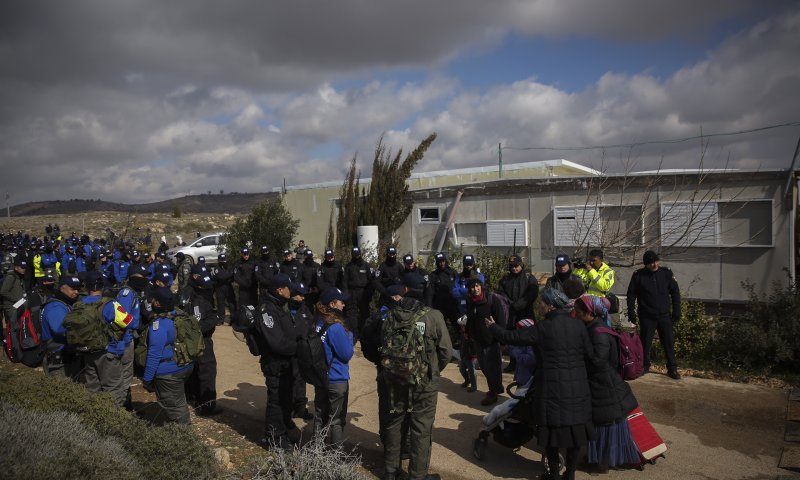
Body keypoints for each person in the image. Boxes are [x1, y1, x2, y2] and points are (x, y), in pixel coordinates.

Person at [486, 287, 595, 480]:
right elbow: (589, 356)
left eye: (542, 302)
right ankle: (569, 474)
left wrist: (493, 327)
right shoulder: (579, 326)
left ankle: (553, 475)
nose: (539, 306)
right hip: (578, 388)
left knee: (552, 435)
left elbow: (511, 337)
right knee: (575, 433)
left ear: (551, 305)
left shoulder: (542, 329)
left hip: (552, 389)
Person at [380, 284, 452, 480]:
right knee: (421, 428)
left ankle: (390, 470)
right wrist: (432, 370)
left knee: (395, 422)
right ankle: (417, 475)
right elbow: (446, 350)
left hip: (395, 379)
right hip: (424, 382)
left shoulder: (390, 316)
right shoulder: (433, 316)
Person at [574, 294, 640, 471]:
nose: (577, 315)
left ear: (591, 312)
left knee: (604, 424)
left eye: (580, 312)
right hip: (602, 383)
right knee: (606, 424)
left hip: (602, 385)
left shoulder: (599, 333)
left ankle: (601, 461)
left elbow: (598, 361)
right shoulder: (595, 327)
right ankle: (603, 458)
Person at [252, 273, 299, 450]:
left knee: (285, 400)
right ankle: (274, 439)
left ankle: (282, 434)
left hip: (286, 363)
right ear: (280, 290)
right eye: (289, 288)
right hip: (275, 364)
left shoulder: (279, 305)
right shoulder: (267, 309)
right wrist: (298, 348)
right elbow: (276, 342)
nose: (291, 291)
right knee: (277, 402)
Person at [626, 250, 682, 379]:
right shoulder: (638, 275)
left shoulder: (666, 273)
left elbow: (675, 292)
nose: (655, 265)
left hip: (664, 315)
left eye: (656, 261)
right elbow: (631, 295)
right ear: (646, 264)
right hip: (647, 316)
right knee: (645, 343)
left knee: (668, 342)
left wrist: (677, 310)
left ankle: (672, 368)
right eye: (651, 263)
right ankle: (644, 366)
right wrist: (631, 312)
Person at [143, 287, 195, 424]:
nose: (151, 302)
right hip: (185, 365)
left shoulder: (159, 325)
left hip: (169, 372)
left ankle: (183, 438)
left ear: (158, 304)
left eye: (153, 300)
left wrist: (147, 379)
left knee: (175, 408)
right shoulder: (177, 315)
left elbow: (154, 355)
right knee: (178, 400)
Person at [81, 272, 130, 408]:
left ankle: (94, 418)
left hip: (87, 352)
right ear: (102, 287)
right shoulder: (110, 304)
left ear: (86, 287)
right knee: (113, 389)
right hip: (108, 352)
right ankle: (113, 420)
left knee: (93, 388)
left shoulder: (79, 304)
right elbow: (128, 321)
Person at [313, 287, 354, 444]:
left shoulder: (317, 322)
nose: (343, 305)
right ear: (332, 304)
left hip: (320, 376)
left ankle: (316, 451)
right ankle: (335, 459)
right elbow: (346, 354)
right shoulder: (336, 327)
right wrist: (349, 335)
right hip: (336, 378)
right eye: (341, 302)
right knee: (336, 420)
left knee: (320, 415)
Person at [185, 271, 224, 416]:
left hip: (192, 342)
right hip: (201, 341)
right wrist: (212, 320)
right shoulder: (198, 302)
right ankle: (207, 406)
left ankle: (194, 398)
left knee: (194, 369)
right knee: (206, 370)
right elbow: (197, 326)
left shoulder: (186, 295)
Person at [465, 277, 507, 406]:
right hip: (478, 340)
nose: (475, 289)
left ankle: (493, 393)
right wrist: (468, 332)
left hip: (491, 341)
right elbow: (470, 318)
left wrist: (500, 337)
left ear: (481, 286)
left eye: (477, 286)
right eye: (472, 287)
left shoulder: (491, 300)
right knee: (483, 367)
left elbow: (501, 320)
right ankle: (493, 389)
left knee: (492, 368)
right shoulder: (471, 301)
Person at [498, 254, 539, 373]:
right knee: (512, 339)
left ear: (521, 265)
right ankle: (513, 363)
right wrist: (510, 303)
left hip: (526, 313)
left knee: (527, 339)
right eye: (511, 266)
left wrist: (519, 304)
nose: (514, 268)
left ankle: (531, 362)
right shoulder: (506, 279)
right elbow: (501, 292)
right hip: (511, 314)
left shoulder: (529, 277)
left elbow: (532, 293)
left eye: (516, 266)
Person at [40, 275, 82, 379]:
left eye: (78, 289)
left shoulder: (65, 304)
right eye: (73, 289)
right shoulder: (56, 307)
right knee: (62, 392)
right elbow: (61, 329)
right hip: (58, 361)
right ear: (62, 288)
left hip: (66, 357)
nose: (76, 292)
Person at [288, 281, 314, 421]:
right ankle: (289, 410)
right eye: (300, 295)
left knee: (301, 380)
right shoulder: (285, 308)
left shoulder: (304, 308)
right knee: (290, 381)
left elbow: (311, 323)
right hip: (289, 351)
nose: (303, 298)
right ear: (293, 295)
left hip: (302, 351)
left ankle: (300, 409)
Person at [341, 246, 374, 338]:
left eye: (358, 255)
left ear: (360, 254)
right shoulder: (348, 267)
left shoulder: (366, 266)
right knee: (351, 314)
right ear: (352, 255)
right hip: (352, 293)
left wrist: (369, 294)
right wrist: (346, 295)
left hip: (363, 293)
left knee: (365, 313)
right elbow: (344, 283)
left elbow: (371, 281)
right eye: (354, 255)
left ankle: (365, 333)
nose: (356, 257)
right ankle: (354, 334)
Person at [211, 253, 236, 325]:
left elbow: (232, 278)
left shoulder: (229, 267)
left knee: (231, 303)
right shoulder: (216, 268)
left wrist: (227, 276)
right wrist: (229, 275)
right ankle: (221, 319)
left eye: (224, 260)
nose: (223, 262)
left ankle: (233, 319)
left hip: (228, 287)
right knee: (221, 304)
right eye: (221, 260)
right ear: (218, 261)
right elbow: (221, 277)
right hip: (220, 288)